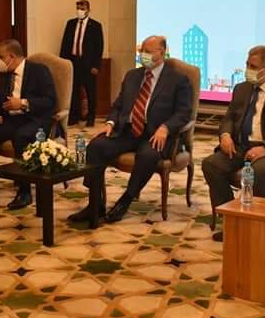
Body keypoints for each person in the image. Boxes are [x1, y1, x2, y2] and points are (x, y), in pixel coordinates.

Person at [68, 35, 192, 224]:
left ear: (161, 53)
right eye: (141, 51)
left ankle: (125, 201)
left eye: (147, 52)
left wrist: (166, 127)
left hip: (156, 135)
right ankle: (95, 204)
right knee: (95, 146)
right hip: (128, 131)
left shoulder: (178, 80)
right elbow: (118, 105)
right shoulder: (132, 76)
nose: (142, 55)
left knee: (147, 155)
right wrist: (110, 122)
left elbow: (184, 113)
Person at [202, 45, 265, 240]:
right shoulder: (242, 88)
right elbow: (230, 117)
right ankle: (233, 220)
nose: (247, 69)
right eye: (247, 64)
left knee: (258, 171)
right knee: (211, 164)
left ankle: (258, 226)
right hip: (241, 145)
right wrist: (225, 135)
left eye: (253, 66)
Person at [0, 39, 57, 209]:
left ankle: (24, 191)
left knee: (21, 136)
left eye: (1, 57)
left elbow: (50, 101)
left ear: (11, 56)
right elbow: (0, 98)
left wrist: (23, 103)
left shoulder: (39, 71)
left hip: (35, 121)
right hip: (12, 121)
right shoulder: (6, 74)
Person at [60, 0, 103, 127]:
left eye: (82, 8)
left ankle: (90, 118)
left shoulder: (95, 26)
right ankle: (74, 117)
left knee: (90, 91)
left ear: (88, 10)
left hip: (88, 64)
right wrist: (63, 62)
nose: (80, 11)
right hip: (73, 62)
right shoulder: (71, 23)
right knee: (73, 91)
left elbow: (99, 47)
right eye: (78, 8)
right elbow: (65, 43)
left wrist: (96, 65)